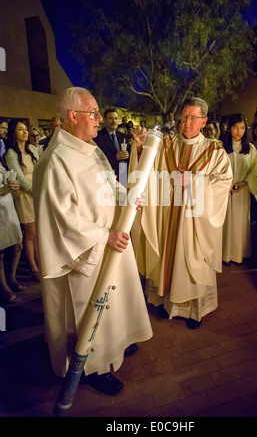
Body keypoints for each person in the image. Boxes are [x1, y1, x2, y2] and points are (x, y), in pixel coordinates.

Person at [32, 87, 152, 395]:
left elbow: (108, 184)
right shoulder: (55, 160)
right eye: (93, 113)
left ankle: (115, 345)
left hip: (110, 244)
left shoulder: (91, 148)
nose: (100, 119)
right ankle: (93, 366)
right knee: (87, 308)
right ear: (73, 117)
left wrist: (126, 200)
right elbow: (60, 218)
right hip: (85, 253)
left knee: (112, 304)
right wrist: (103, 235)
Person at [129, 97, 233, 329]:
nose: (186, 123)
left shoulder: (214, 150)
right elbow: (148, 168)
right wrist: (139, 149)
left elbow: (223, 181)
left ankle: (192, 310)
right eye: (183, 117)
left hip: (194, 222)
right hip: (166, 217)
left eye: (192, 118)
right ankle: (163, 301)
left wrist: (195, 182)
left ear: (204, 121)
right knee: (165, 255)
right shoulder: (166, 144)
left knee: (190, 260)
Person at [222, 114, 257, 264]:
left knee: (239, 223)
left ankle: (238, 254)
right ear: (229, 128)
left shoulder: (250, 148)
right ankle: (224, 254)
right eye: (235, 127)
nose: (238, 131)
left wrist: (244, 183)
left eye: (242, 128)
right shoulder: (222, 147)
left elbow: (256, 172)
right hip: (224, 192)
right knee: (225, 222)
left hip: (242, 191)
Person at [5, 119, 40, 280]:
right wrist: (38, 191)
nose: (25, 132)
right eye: (20, 129)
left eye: (26, 129)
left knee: (39, 232)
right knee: (30, 233)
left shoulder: (32, 149)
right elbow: (20, 179)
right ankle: (33, 268)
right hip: (26, 195)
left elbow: (40, 170)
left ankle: (41, 263)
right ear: (13, 132)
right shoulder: (11, 154)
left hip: (38, 192)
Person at [0, 161, 24, 305]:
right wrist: (3, 190)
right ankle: (4, 289)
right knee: (0, 252)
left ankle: (11, 278)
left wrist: (14, 186)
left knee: (17, 246)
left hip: (7, 206)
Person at [93, 108, 131, 186]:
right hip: (108, 176)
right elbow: (96, 159)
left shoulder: (123, 136)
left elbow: (130, 153)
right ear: (105, 120)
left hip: (123, 173)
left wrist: (128, 154)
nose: (114, 121)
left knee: (122, 197)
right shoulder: (98, 137)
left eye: (116, 118)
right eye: (110, 118)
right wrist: (115, 157)